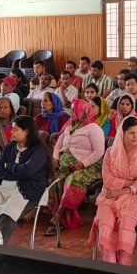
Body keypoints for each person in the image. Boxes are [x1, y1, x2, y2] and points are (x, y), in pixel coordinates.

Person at [91, 116, 137, 264]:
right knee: (106, 222)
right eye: (131, 133)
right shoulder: (110, 152)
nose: (136, 137)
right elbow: (108, 179)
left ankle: (123, 266)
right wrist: (133, 182)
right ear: (123, 133)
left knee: (126, 224)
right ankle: (110, 265)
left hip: (133, 197)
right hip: (108, 196)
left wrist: (125, 190)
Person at [0, 116, 51, 242]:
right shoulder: (10, 147)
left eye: (15, 129)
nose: (11, 132)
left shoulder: (38, 150)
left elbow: (28, 170)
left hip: (28, 191)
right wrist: (18, 172)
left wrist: (9, 166)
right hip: (6, 187)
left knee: (7, 217)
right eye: (12, 129)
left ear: (27, 131)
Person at [48, 99, 106, 235]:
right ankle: (67, 218)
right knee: (58, 180)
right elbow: (59, 144)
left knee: (73, 179)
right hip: (68, 165)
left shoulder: (94, 128)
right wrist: (55, 158)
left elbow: (99, 151)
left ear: (83, 112)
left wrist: (82, 163)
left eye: (74, 110)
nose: (71, 112)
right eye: (71, 110)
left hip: (90, 165)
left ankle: (59, 213)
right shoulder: (69, 126)